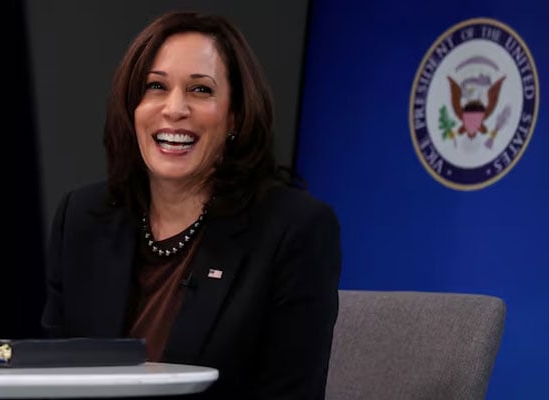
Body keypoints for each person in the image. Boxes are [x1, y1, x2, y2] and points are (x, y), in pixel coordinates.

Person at [41, 11, 341, 400]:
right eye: (155, 87)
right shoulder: (82, 218)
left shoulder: (294, 230)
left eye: (200, 90)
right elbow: (51, 381)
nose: (175, 109)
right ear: (132, 108)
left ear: (234, 115)